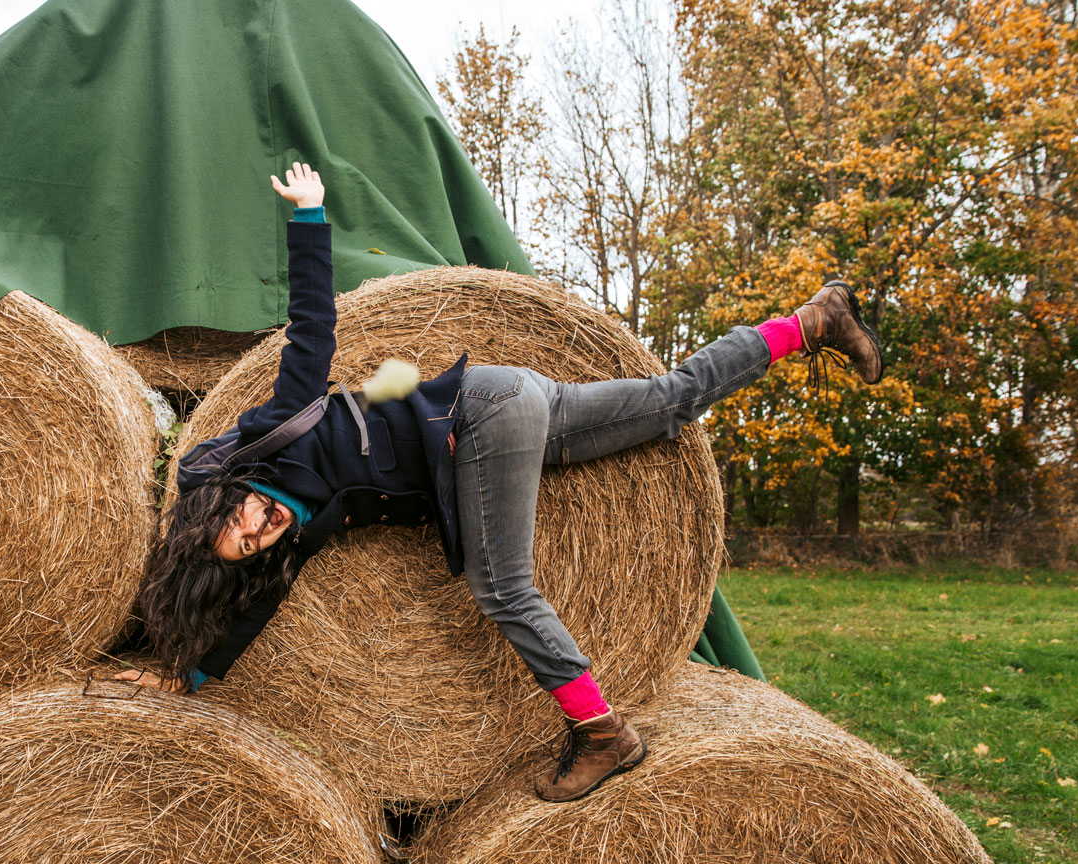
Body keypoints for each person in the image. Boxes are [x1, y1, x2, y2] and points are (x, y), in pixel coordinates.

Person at [117, 162, 884, 802]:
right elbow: (257, 608)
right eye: (248, 545)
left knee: (503, 586)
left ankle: (601, 732)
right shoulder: (296, 535)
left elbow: (312, 333)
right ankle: (811, 324)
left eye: (242, 519)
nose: (258, 531)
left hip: (477, 419)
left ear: (224, 497)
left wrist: (310, 218)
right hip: (511, 402)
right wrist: (191, 677)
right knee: (670, 402)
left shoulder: (277, 438)